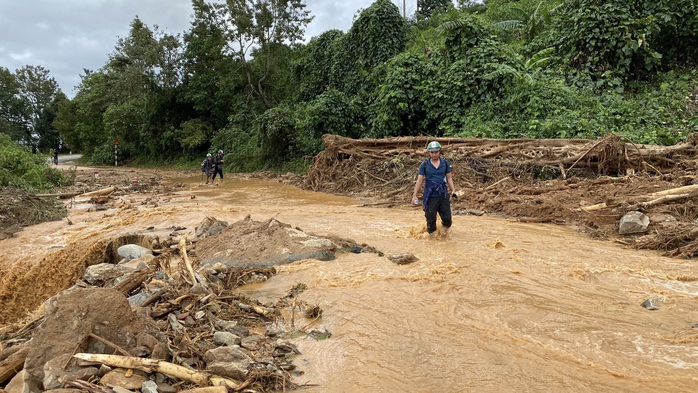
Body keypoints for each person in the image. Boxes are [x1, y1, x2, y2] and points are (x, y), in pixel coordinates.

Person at [411, 141, 457, 236]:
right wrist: (414, 195)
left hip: (443, 195)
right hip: (430, 196)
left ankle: (444, 234)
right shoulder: (424, 165)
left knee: (447, 219)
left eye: (436, 152)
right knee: (431, 221)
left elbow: (449, 177)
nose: (434, 154)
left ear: (439, 152)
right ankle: (432, 238)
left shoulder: (445, 163)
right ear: (429, 153)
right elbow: (419, 180)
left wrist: (453, 190)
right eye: (432, 152)